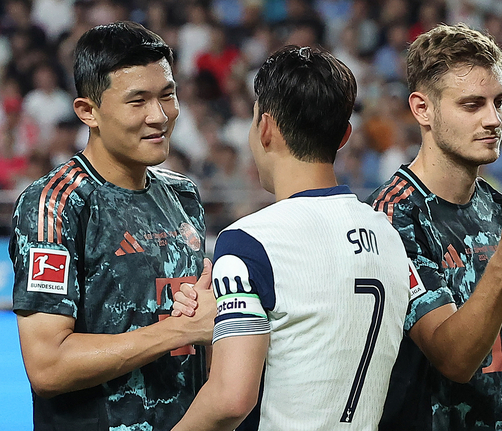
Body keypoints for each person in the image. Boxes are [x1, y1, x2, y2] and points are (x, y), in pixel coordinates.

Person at [171, 45, 412, 431]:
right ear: (344, 135)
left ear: (264, 128)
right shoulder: (389, 234)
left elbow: (231, 400)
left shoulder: (250, 241)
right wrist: (221, 323)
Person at [9, 21, 216, 430]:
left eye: (167, 95)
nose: (159, 116)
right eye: (137, 101)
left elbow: (198, 337)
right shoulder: (55, 205)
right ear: (89, 111)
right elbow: (48, 366)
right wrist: (177, 331)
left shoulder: (184, 196)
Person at [366, 23, 502, 430]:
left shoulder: (496, 207)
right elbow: (453, 359)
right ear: (422, 109)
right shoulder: (391, 216)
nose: (493, 119)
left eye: (499, 102)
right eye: (472, 105)